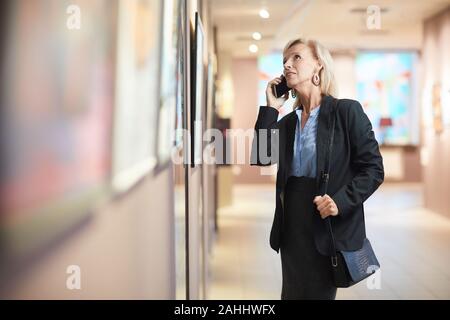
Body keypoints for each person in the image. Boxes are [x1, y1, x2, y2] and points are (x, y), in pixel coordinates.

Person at [251, 38, 384, 300]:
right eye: (284, 61)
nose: (287, 65)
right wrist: (270, 108)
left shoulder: (346, 112)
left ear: (318, 67)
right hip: (291, 228)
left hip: (326, 226)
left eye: (296, 58)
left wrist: (340, 201)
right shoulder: (289, 122)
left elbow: (373, 168)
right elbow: (262, 157)